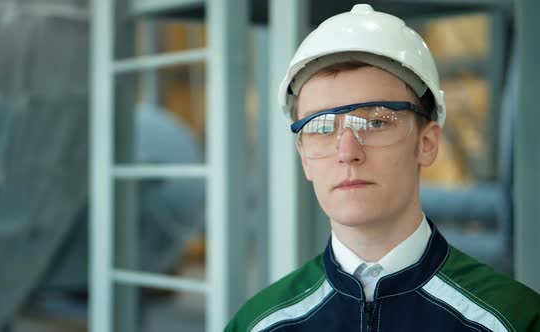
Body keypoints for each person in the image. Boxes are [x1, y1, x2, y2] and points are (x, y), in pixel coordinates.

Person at [225, 4, 540, 332]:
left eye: (376, 121)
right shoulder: (257, 325)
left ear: (427, 143)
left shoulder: (514, 320)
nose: (347, 152)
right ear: (303, 156)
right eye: (320, 126)